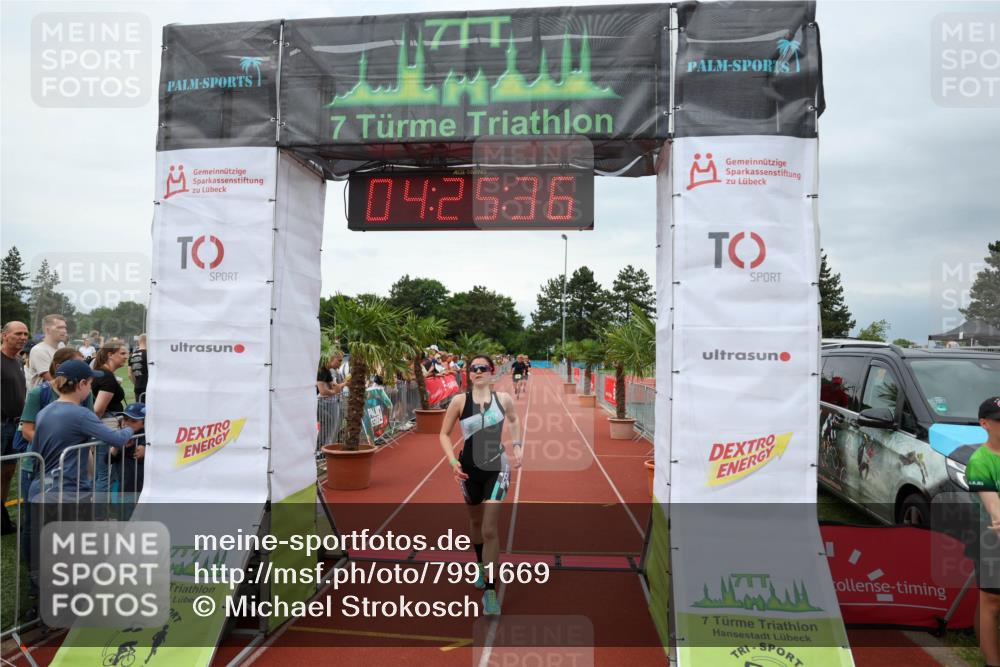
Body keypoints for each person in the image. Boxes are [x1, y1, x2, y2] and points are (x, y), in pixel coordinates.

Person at [25, 360, 138, 598]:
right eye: (90, 383)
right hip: (67, 491)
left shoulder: (46, 411)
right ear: (82, 384)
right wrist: (131, 427)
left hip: (43, 488)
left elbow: (36, 449)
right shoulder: (80, 414)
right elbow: (116, 439)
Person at [438, 354, 522, 616]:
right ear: (469, 373)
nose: (478, 372)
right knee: (475, 523)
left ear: (492, 371)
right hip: (468, 471)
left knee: (488, 528)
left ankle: (490, 591)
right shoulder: (459, 402)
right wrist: (453, 462)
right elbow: (443, 434)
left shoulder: (503, 400)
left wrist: (517, 446)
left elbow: (514, 419)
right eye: (473, 369)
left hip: (497, 468)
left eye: (482, 368)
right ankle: (481, 564)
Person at [963, 396, 1000, 667]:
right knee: (992, 602)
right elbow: (993, 506)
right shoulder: (979, 461)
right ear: (984, 423)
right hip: (991, 538)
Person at [90, 338, 129, 496]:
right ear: (110, 355)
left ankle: (100, 513)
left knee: (103, 473)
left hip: (104, 426)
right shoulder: (106, 376)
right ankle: (99, 516)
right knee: (105, 474)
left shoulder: (101, 373)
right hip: (108, 426)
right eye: (123, 353)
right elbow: (98, 409)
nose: (127, 356)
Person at [1, 321, 29, 534]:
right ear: (4, 335)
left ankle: (2, 519)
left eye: (25, 334)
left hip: (14, 425)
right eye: (18, 333)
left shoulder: (19, 360)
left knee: (8, 473)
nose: (23, 337)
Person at [111, 403, 146, 506]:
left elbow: (136, 454)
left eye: (134, 421)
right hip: (122, 486)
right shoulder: (120, 435)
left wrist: (144, 447)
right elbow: (108, 459)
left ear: (144, 423)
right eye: (125, 419)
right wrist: (116, 445)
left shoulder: (145, 438)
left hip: (138, 488)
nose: (127, 423)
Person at [26, 314, 67, 389]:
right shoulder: (39, 350)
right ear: (47, 330)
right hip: (43, 399)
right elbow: (53, 379)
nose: (64, 331)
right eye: (60, 327)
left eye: (65, 327)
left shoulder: (62, 346)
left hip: (60, 396)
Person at [317, 352, 347, 448]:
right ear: (332, 358)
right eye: (339, 360)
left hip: (319, 401)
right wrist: (335, 390)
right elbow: (323, 391)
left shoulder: (327, 371)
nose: (340, 363)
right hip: (316, 402)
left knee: (329, 422)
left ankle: (320, 448)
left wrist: (340, 385)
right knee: (328, 421)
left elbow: (334, 386)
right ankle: (320, 448)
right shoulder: (321, 369)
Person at [128, 334, 148, 402]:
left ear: (139, 342)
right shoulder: (149, 354)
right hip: (148, 387)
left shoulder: (132, 355)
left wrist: (136, 383)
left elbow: (130, 374)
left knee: (139, 409)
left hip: (137, 387)